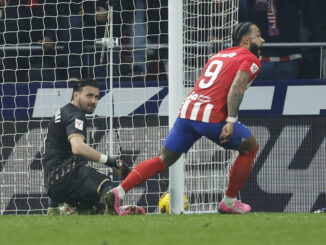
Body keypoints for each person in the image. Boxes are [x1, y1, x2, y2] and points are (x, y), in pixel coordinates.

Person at [104, 22, 265, 215]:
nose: (262, 39)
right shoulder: (250, 58)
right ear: (246, 40)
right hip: (212, 116)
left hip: (188, 110)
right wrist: (230, 120)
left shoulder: (220, 55)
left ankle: (118, 191)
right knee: (250, 148)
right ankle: (229, 202)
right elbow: (236, 88)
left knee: (163, 158)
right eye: (258, 35)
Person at [43, 78, 145, 215]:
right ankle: (116, 210)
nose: (94, 101)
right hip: (67, 177)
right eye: (89, 96)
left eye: (97, 97)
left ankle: (76, 209)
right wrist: (112, 162)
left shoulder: (63, 112)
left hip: (53, 183)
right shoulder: (75, 114)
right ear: (76, 95)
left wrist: (53, 203)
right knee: (109, 190)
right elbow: (78, 148)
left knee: (95, 208)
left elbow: (56, 155)